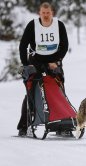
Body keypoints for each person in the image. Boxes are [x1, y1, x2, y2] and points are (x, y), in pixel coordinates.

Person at [17, 2, 69, 136]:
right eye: (43, 13)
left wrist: (56, 61)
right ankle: (24, 125)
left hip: (53, 62)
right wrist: (26, 64)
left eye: (48, 13)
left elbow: (64, 45)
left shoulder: (59, 25)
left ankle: (61, 125)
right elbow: (23, 45)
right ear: (39, 13)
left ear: (52, 13)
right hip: (36, 62)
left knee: (58, 90)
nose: (46, 16)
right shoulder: (32, 25)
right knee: (32, 91)